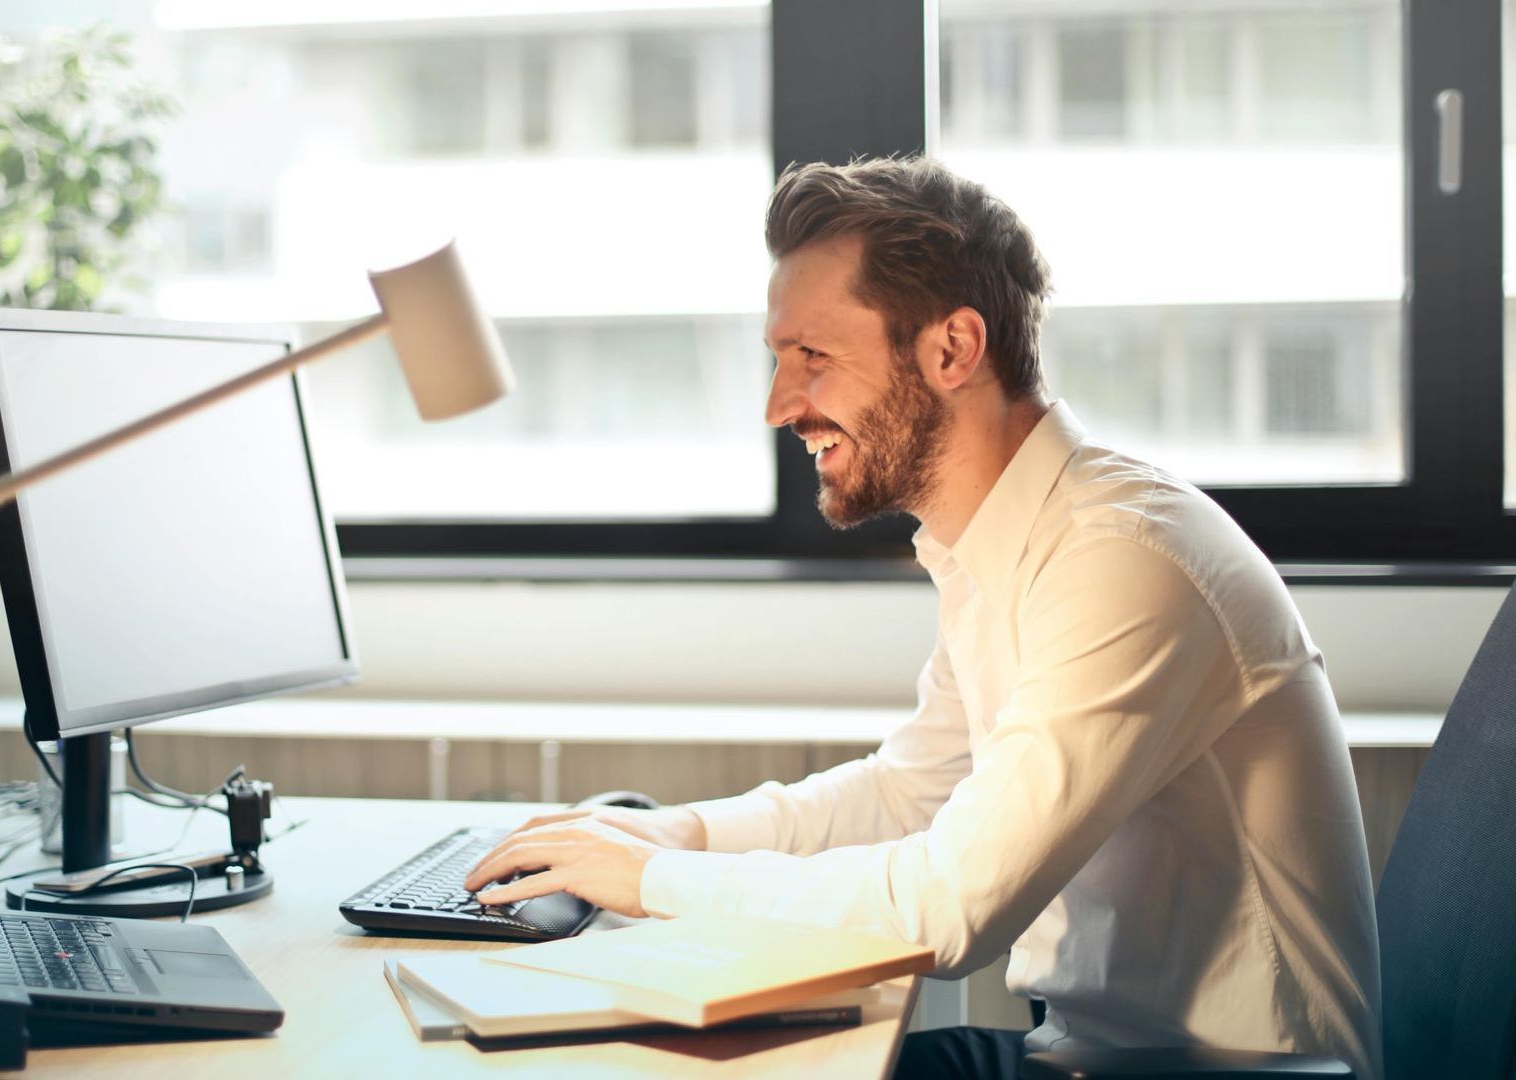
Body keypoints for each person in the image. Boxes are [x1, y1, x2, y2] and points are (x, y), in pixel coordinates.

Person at [464, 157, 1383, 1080]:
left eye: (813, 357)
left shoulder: (1124, 562)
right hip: (1089, 1056)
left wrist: (649, 884)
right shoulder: (1001, 543)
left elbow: (948, 911)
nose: (781, 404)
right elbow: (910, 792)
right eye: (779, 360)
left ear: (953, 350)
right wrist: (678, 835)